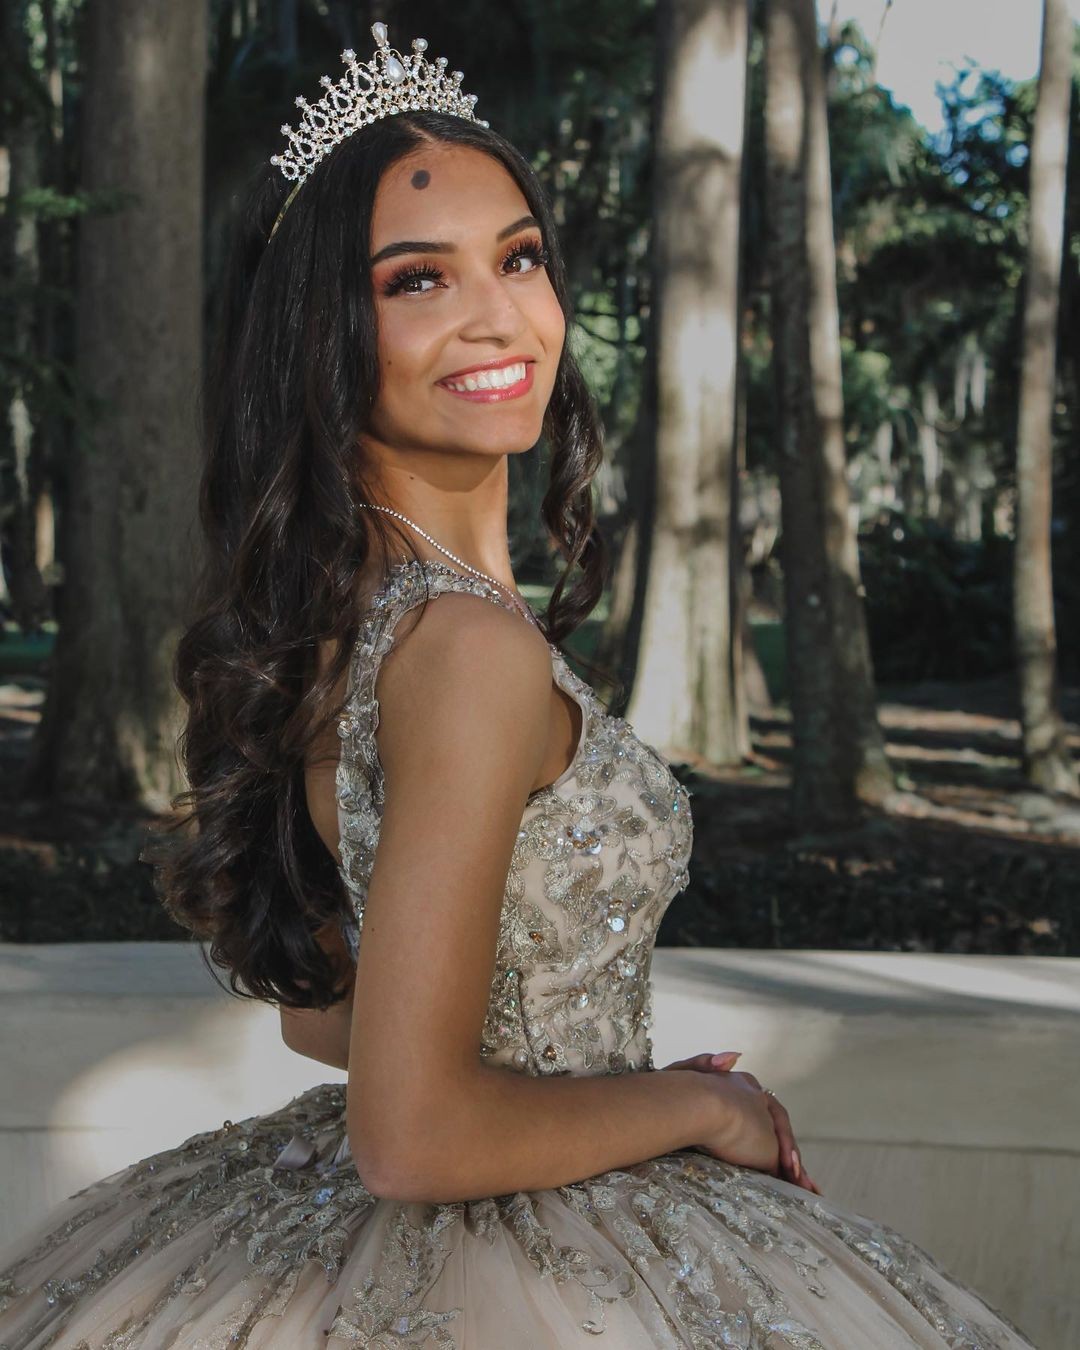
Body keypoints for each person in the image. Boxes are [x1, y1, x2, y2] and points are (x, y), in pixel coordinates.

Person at [0, 24, 1037, 1350]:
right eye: (418, 278)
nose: (498, 314)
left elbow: (327, 1021)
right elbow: (414, 1137)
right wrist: (701, 1106)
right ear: (324, 331)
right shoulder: (465, 646)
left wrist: (596, 1093)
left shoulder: (344, 623)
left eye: (522, 256)